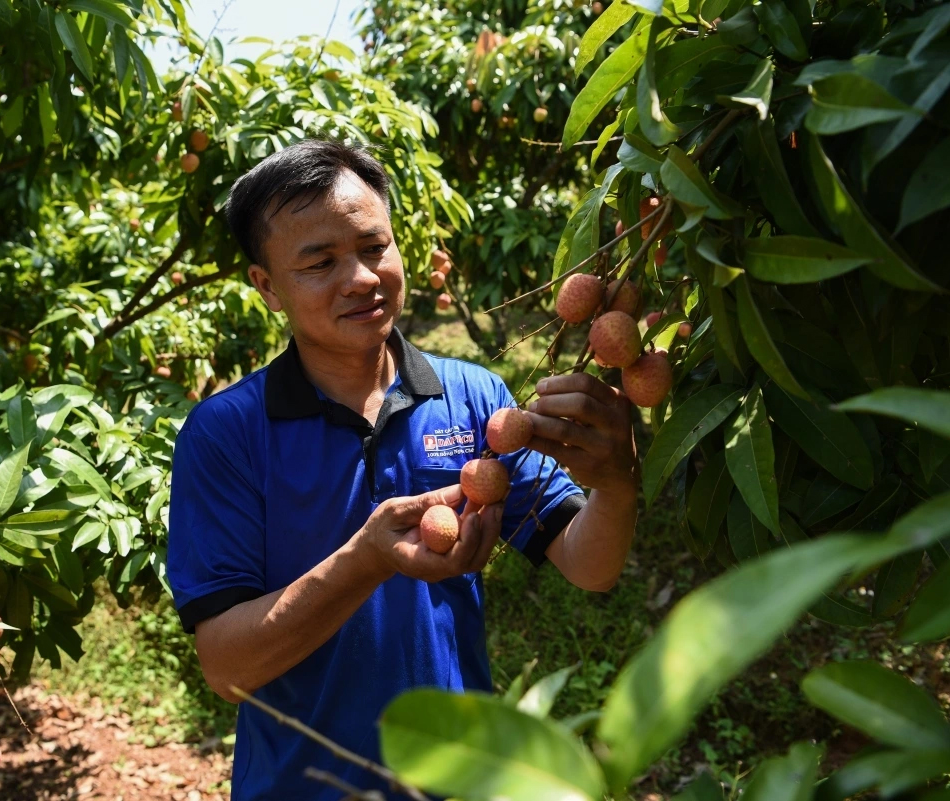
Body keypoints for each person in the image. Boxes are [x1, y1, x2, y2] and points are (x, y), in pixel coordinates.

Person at [167, 140, 638, 800]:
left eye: (372, 247)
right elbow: (225, 666)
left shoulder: (475, 398)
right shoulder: (227, 434)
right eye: (320, 262)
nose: (360, 277)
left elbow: (590, 565)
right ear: (267, 287)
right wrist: (368, 558)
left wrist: (616, 482)